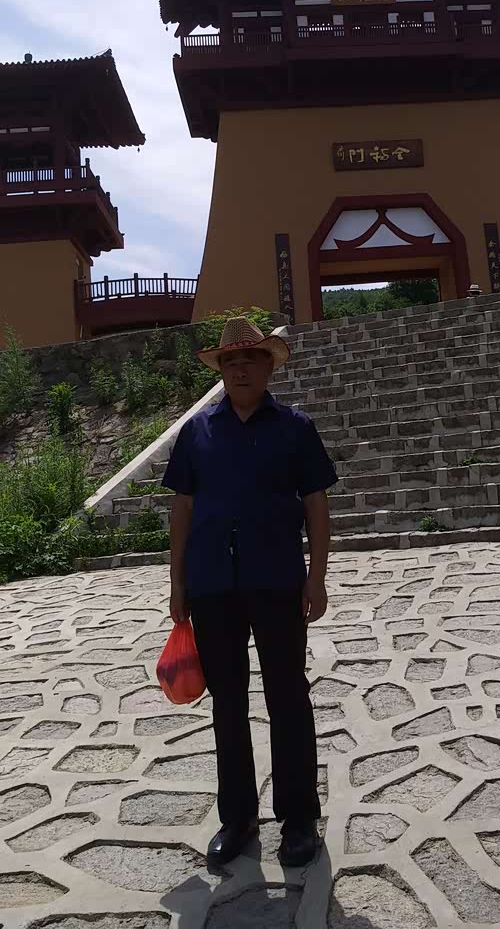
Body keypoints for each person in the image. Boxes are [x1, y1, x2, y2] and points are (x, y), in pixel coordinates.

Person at [163, 316, 337, 868]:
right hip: (212, 583)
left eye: (250, 360)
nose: (240, 369)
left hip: (277, 578)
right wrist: (178, 582)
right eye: (230, 362)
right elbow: (183, 507)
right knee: (228, 703)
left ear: (268, 367)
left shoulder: (295, 427)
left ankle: (299, 817)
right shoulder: (197, 431)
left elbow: (315, 503)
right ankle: (237, 818)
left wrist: (317, 576)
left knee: (288, 696)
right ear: (221, 370)